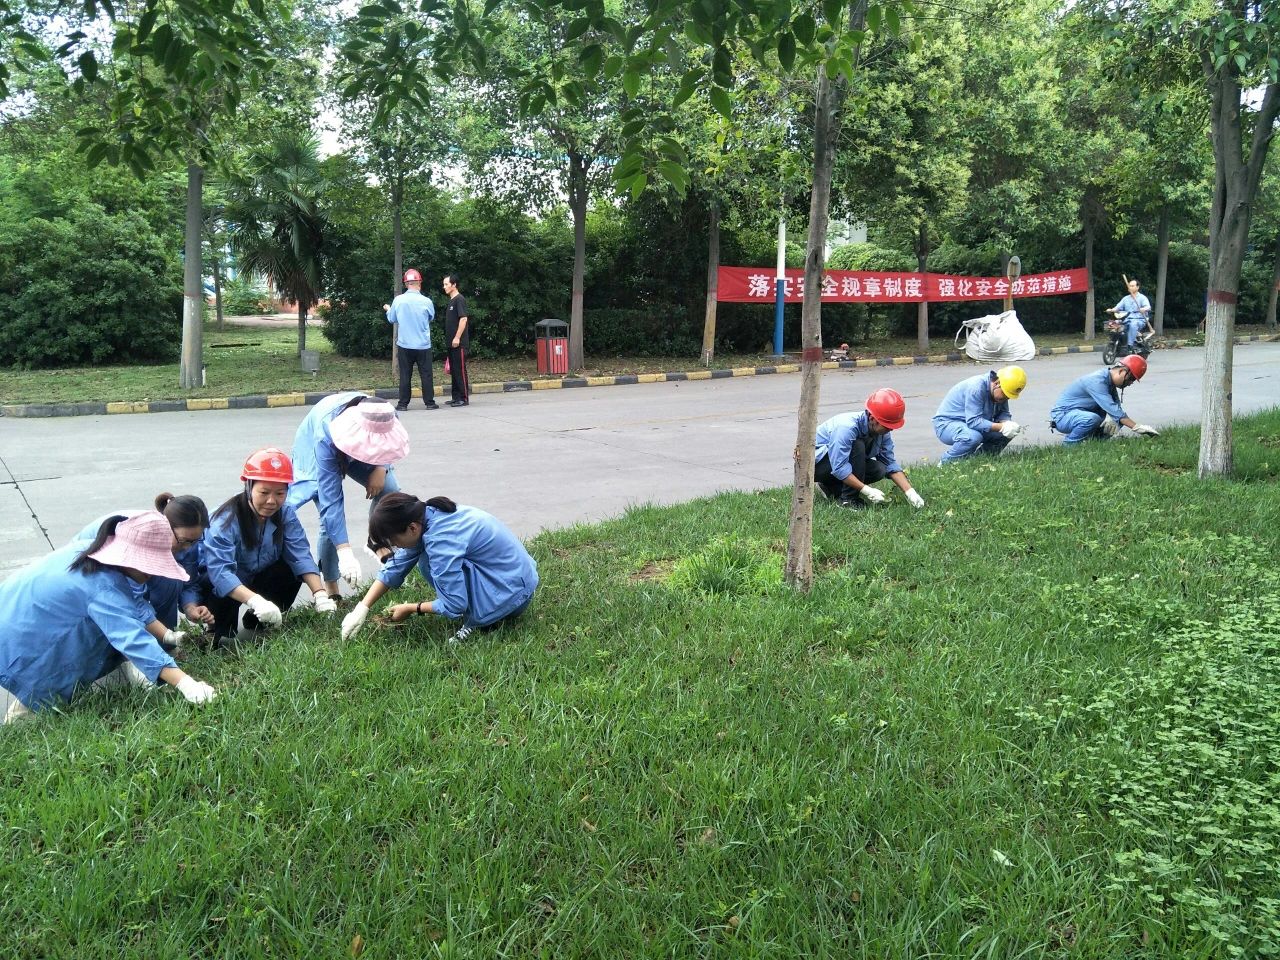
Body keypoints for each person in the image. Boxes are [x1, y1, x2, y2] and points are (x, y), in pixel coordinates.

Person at [0, 511, 218, 722]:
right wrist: (186, 684)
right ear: (136, 558)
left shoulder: (90, 550)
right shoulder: (102, 587)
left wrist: (168, 636)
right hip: (23, 641)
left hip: (12, 614)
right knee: (38, 696)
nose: (152, 574)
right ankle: (19, 725)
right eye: (152, 566)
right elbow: (132, 639)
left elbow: (133, 604)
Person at [340, 493, 539, 646]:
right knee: (422, 556)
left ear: (411, 528)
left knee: (426, 562)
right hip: (518, 580)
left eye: (395, 541)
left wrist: (411, 608)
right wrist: (362, 608)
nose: (397, 547)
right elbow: (397, 566)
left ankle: (480, 620)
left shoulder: (440, 541)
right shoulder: (429, 515)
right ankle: (487, 609)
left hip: (513, 597)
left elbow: (455, 604)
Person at [200, 448, 337, 643]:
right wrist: (256, 600)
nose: (272, 501)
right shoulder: (224, 521)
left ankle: (259, 620)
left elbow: (300, 554)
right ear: (249, 487)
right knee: (223, 636)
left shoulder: (286, 513)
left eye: (280, 493)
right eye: (264, 492)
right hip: (222, 583)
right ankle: (214, 627)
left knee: (291, 568)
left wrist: (320, 594)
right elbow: (220, 573)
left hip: (257, 574)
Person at [286, 393, 411, 597]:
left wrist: (381, 467)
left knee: (390, 490)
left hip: (363, 441)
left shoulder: (385, 414)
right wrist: (344, 552)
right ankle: (331, 587)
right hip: (317, 448)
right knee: (328, 521)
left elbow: (386, 444)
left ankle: (376, 540)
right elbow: (331, 502)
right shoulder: (326, 435)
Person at [69, 493, 213, 650]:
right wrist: (166, 634)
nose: (188, 547)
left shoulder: (185, 542)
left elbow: (188, 581)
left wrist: (190, 607)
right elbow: (133, 599)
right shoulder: (139, 539)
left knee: (171, 581)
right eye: (184, 541)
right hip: (90, 569)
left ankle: (163, 648)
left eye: (195, 541)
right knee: (121, 611)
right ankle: (130, 647)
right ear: (165, 527)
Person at [813, 388, 926, 509]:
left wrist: (910, 492)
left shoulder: (882, 432)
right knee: (857, 446)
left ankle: (831, 488)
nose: (891, 429)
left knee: (879, 469)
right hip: (815, 467)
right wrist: (867, 491)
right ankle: (848, 501)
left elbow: (889, 463)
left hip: (834, 466)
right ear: (872, 419)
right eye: (888, 426)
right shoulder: (846, 428)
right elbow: (839, 467)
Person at [1049, 355, 1160, 443]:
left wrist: (1116, 421)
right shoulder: (1097, 381)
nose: (1130, 383)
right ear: (1122, 371)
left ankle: (1096, 442)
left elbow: (1117, 411)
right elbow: (1115, 411)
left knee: (1115, 421)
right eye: (1131, 378)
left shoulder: (1109, 383)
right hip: (1063, 417)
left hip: (1077, 414)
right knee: (1093, 418)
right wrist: (1137, 427)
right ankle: (1070, 444)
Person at [933, 366, 1028, 464]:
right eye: (1005, 394)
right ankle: (945, 464)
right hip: (947, 424)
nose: (1006, 398)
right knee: (972, 437)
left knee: (1005, 434)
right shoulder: (976, 388)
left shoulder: (1001, 392)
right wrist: (1002, 427)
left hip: (971, 425)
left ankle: (980, 462)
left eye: (1009, 396)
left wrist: (1007, 424)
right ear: (997, 383)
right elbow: (973, 422)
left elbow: (1003, 413)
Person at [383, 268, 440, 412]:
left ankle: (403, 404)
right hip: (423, 345)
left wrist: (389, 309)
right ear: (419, 282)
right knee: (426, 374)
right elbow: (431, 317)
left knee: (405, 374)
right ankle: (429, 403)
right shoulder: (427, 301)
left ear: (406, 283)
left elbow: (392, 319)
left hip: (405, 344)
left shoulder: (398, 300)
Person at [441, 273, 470, 407]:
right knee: (454, 370)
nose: (444, 287)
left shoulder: (459, 299)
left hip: (459, 342)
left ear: (454, 285)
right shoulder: (451, 300)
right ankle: (456, 396)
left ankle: (463, 398)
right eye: (444, 284)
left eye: (446, 284)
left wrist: (457, 337)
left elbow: (463, 319)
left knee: (460, 369)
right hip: (451, 343)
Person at [1108, 278, 1154, 348]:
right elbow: (1117, 307)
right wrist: (1111, 310)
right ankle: (1114, 342)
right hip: (1126, 319)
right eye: (1129, 286)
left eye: (1132, 286)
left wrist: (1143, 309)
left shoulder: (1142, 298)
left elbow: (1148, 307)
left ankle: (1130, 345)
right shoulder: (1125, 298)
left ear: (1137, 287)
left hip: (1139, 319)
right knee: (1112, 324)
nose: (1130, 287)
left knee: (1133, 324)